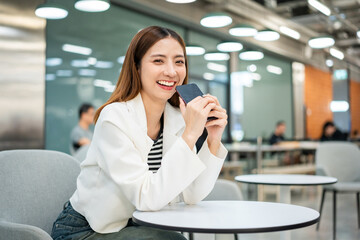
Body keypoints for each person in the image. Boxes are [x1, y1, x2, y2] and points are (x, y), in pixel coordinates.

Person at [51, 26, 228, 240]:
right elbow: (147, 198)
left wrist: (213, 138)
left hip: (136, 227)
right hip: (86, 230)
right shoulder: (114, 117)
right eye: (158, 61)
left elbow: (192, 195)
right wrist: (190, 134)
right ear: (137, 67)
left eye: (179, 61)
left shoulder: (176, 118)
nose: (172, 71)